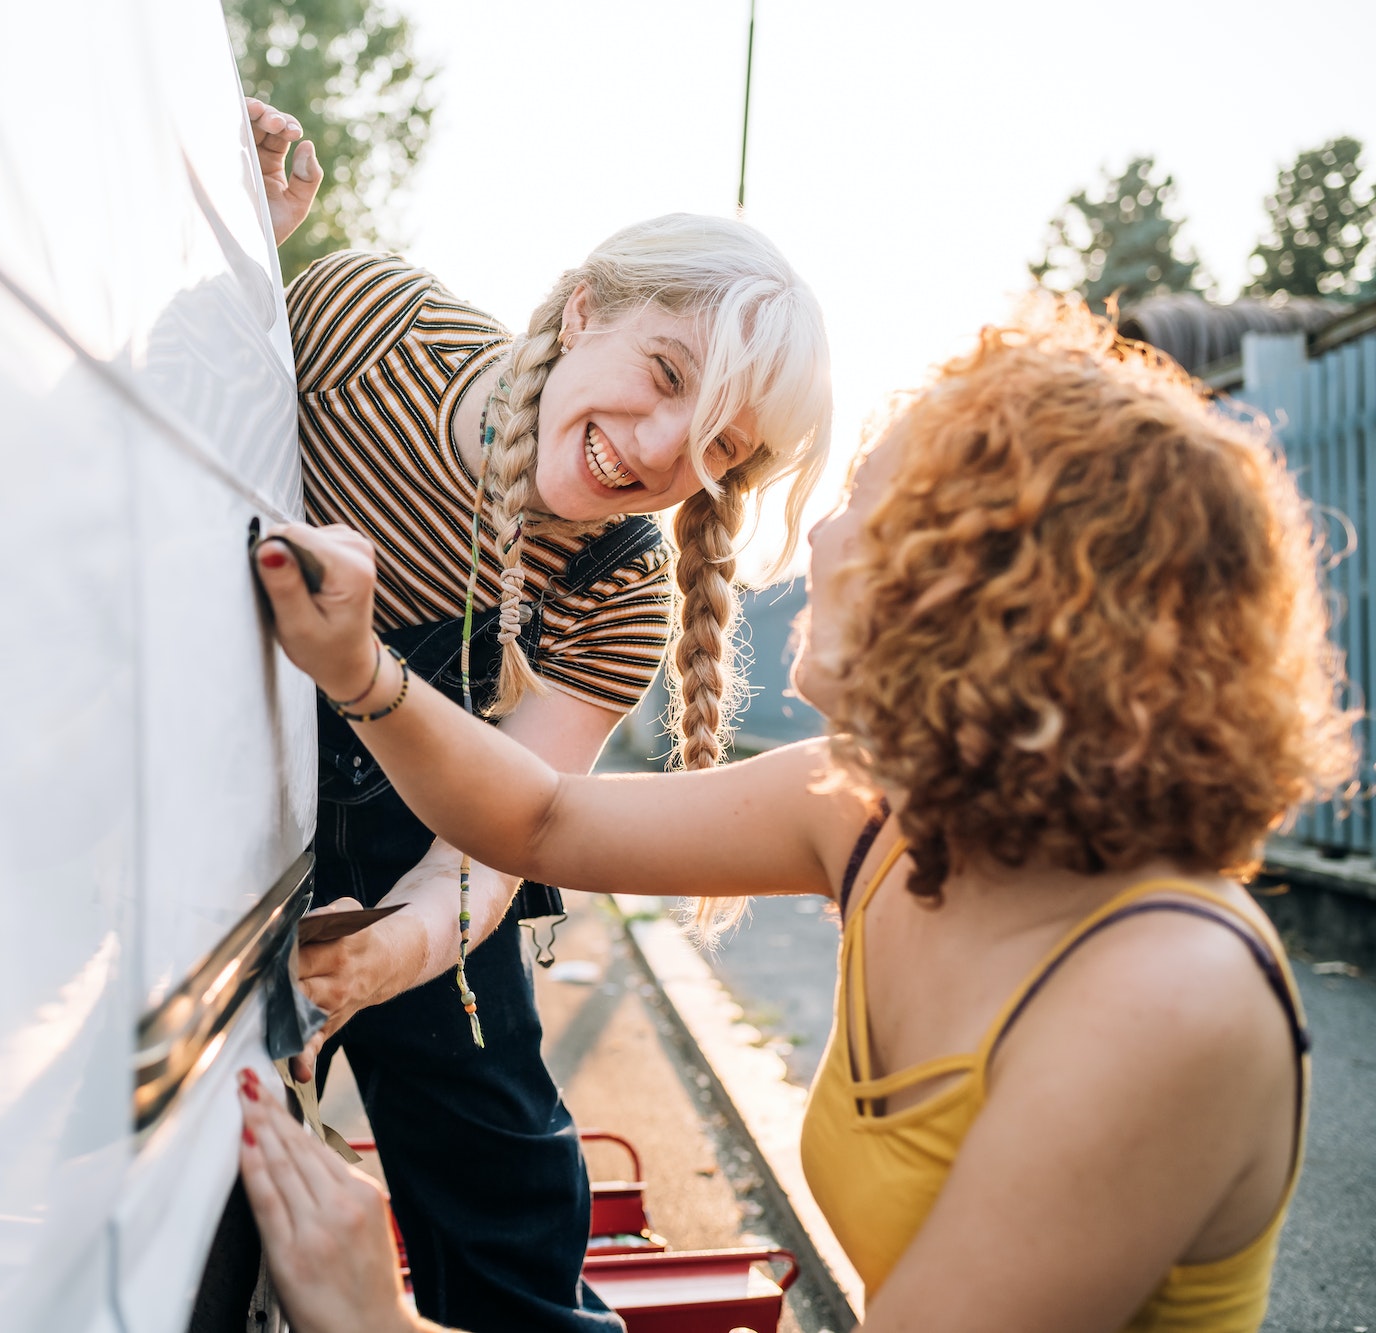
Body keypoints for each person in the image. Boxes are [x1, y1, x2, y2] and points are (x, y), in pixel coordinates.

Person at [246, 299, 1351, 1333]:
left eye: (867, 499)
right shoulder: (866, 803)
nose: (818, 535)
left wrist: (375, 1319)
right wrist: (358, 669)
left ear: (990, 582)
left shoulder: (1163, 1001)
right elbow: (536, 823)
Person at [245, 96, 832, 1333]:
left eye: (717, 449)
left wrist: (381, 958)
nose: (661, 449)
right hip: (224, 795)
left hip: (417, 877)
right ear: (583, 313)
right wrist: (237, 252)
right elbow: (160, 405)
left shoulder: (619, 586)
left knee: (510, 1191)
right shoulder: (362, 323)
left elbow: (498, 842)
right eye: (662, 375)